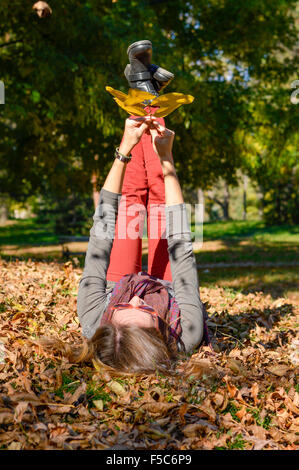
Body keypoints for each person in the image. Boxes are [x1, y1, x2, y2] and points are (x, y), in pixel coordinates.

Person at [74, 114, 208, 375]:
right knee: (160, 198)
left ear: (110, 321)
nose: (136, 298)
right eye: (145, 309)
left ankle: (139, 105)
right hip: (170, 291)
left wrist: (124, 148)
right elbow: (181, 245)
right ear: (162, 333)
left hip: (115, 285)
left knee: (130, 200)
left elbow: (100, 234)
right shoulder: (187, 331)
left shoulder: (93, 319)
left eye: (125, 307)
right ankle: (153, 103)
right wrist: (167, 159)